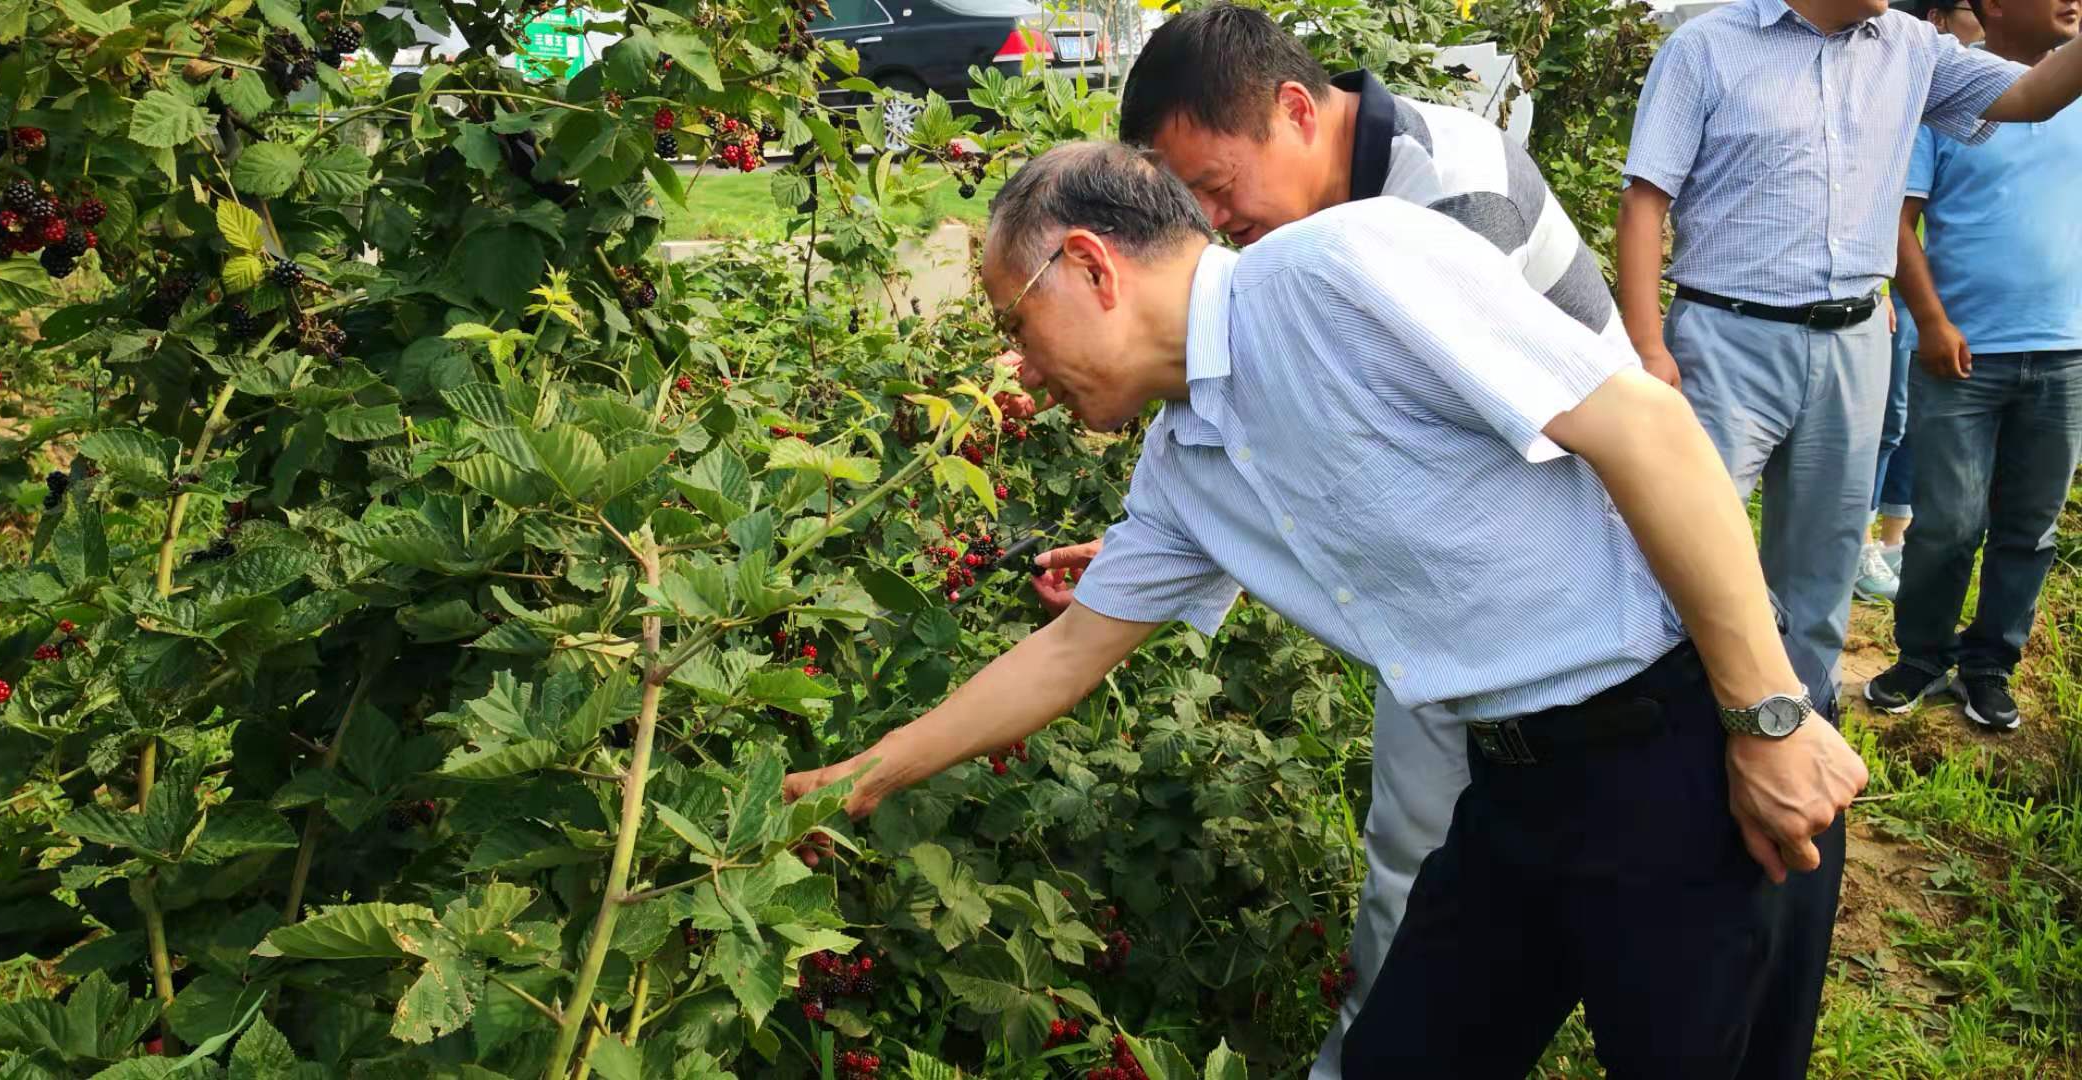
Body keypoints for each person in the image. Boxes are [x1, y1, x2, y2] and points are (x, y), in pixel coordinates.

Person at [785, 142, 1867, 1079]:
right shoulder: (1185, 463)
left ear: (1088, 266)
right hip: (1514, 792)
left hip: (1685, 753)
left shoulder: (1343, 268)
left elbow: (1649, 432)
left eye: (1012, 325)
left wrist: (1765, 716)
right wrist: (869, 774)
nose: (1017, 370)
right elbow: (1068, 651)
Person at [1006, 11, 1628, 1065]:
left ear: (1295, 111)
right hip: (1454, 588)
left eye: (1209, 189)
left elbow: (1416, 465)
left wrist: (1212, 538)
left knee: (1494, 861)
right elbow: (1343, 454)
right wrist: (1184, 544)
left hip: (1579, 588)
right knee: (1414, 848)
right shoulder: (1308, 242)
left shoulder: (1445, 192)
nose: (1201, 224)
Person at [1617, 0, 2082, 704]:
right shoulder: (1707, 47)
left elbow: (2031, 96)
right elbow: (1645, 200)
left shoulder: (1912, 49)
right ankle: (1670, 733)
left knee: (1822, 570)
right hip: (1727, 339)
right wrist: (1648, 345)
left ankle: (1806, 727)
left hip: (1854, 344)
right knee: (1680, 554)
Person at [1865, 0, 2082, 731]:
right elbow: (1897, 220)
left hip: (2065, 353)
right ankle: (1922, 655)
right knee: (1950, 523)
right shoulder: (1949, 95)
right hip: (1961, 351)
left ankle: (1990, 665)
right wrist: (1930, 319)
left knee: (2030, 526)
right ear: (1991, 5)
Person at [1859, 0, 1986, 602]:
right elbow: (1885, 209)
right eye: (1968, 8)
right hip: (1891, 291)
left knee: (1905, 423)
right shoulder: (1912, 97)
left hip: (1927, 292)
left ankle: (1892, 541)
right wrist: (1881, 287)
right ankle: (1859, 545)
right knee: (1886, 421)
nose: (1979, 23)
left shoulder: (1952, 84)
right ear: (1938, 18)